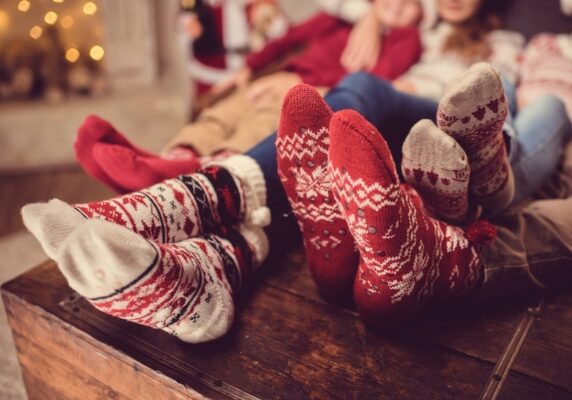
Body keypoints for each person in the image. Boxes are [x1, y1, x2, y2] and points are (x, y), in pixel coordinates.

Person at [76, 0, 430, 193]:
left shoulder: (406, 40)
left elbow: (373, 83)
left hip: (309, 96)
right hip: (279, 78)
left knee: (261, 125)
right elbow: (286, 40)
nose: (399, 4)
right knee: (222, 115)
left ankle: (202, 172)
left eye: (411, 2)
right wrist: (248, 69)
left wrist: (309, 89)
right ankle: (173, 157)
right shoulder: (338, 20)